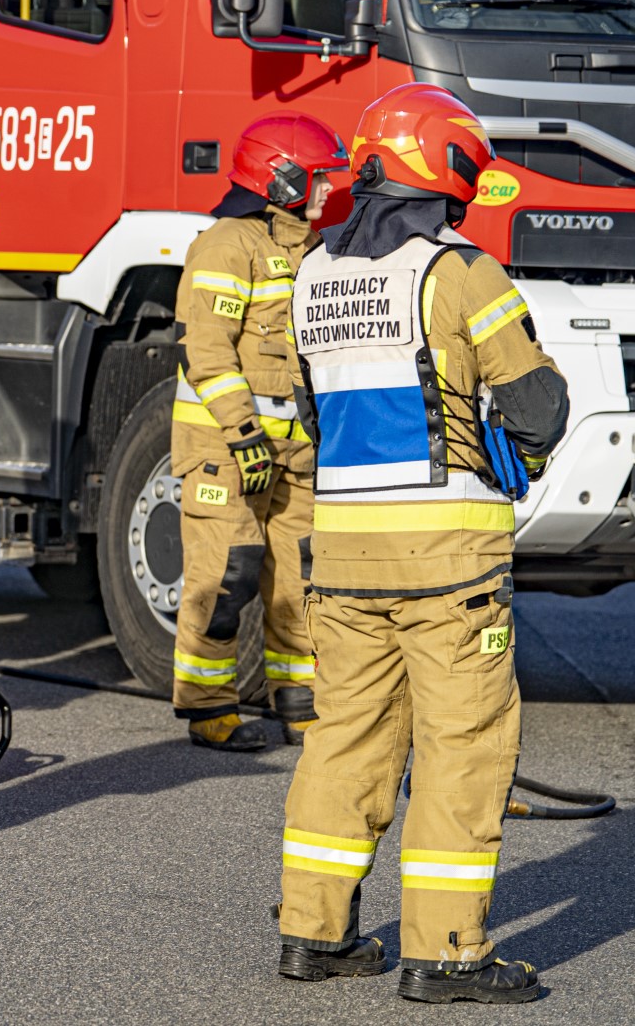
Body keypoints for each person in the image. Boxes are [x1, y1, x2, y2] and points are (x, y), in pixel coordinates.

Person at [276, 83, 568, 1005]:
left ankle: (314, 936)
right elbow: (536, 405)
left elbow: (315, 415)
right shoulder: (458, 271)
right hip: (449, 566)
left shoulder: (313, 272)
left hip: (342, 557)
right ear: (446, 168)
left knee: (343, 742)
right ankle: (446, 954)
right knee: (461, 747)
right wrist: (514, 444)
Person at [170, 112, 349, 751]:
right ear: (279, 180)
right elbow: (205, 349)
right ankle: (207, 707)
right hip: (227, 446)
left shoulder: (315, 249)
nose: (330, 190)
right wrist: (243, 432)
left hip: (296, 450)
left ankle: (299, 701)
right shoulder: (227, 244)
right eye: (318, 179)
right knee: (227, 573)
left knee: (302, 578)